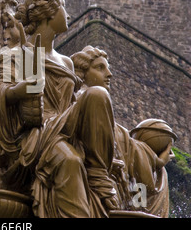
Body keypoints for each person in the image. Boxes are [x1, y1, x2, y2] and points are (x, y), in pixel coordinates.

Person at [0, 0, 118, 218]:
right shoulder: (16, 55)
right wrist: (20, 91)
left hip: (66, 127)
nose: (67, 14)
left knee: (97, 94)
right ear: (47, 13)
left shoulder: (66, 62)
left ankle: (98, 175)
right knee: (70, 160)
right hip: (37, 134)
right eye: (63, 6)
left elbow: (76, 105)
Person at [70, 45, 174, 217]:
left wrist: (156, 162)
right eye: (100, 68)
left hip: (113, 187)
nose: (109, 74)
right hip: (94, 186)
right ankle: (138, 208)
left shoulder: (109, 121)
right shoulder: (79, 102)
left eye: (108, 68)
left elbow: (129, 147)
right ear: (82, 73)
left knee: (154, 179)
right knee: (153, 181)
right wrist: (154, 162)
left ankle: (138, 207)